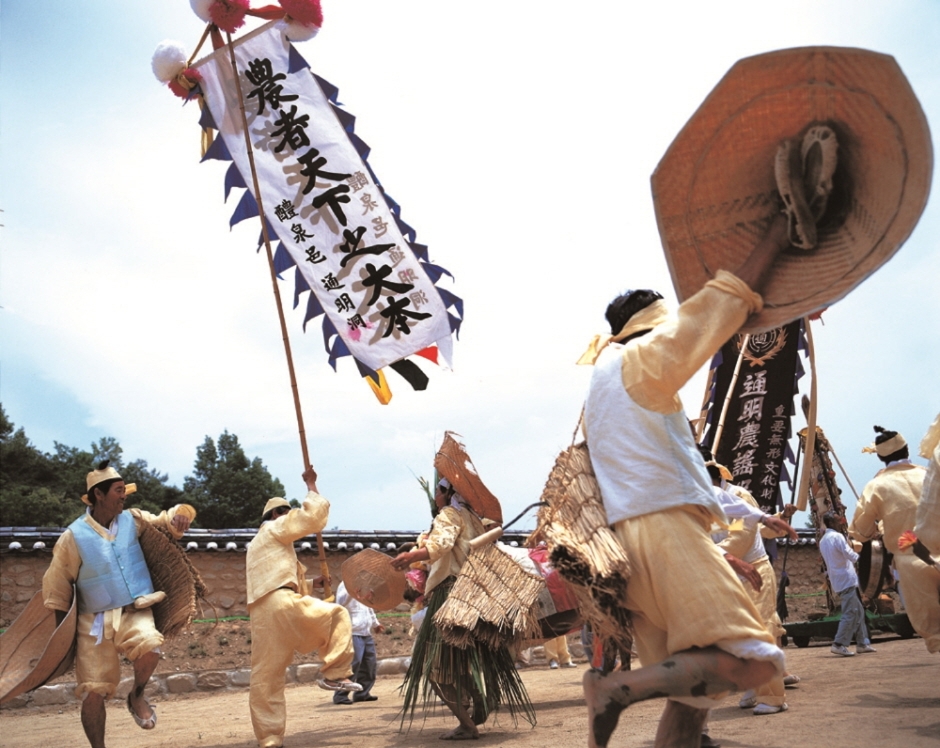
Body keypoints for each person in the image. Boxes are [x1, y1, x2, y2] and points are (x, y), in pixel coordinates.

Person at [577, 149, 816, 746]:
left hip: (635, 544)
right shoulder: (643, 360)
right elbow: (722, 304)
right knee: (757, 662)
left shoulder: (603, 381)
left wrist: (716, 556)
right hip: (662, 532)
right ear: (655, 327)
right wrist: (779, 234)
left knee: (696, 692)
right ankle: (614, 691)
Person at [41, 460, 196, 748]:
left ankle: (136, 695)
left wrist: (181, 515)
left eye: (124, 490)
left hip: (135, 609)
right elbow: (57, 586)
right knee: (93, 692)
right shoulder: (72, 537)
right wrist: (62, 639)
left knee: (151, 647)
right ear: (99, 495)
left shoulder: (134, 519)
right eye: (118, 490)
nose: (124, 496)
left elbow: (167, 520)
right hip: (93, 621)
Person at [391, 478, 533, 740]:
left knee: (431, 667)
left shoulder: (449, 514)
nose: (435, 495)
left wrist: (410, 556)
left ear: (448, 493)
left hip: (449, 597)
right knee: (463, 660)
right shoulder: (473, 518)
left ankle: (468, 725)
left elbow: (440, 545)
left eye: (438, 490)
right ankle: (481, 699)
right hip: (474, 596)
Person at [246, 467, 359, 748]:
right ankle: (335, 674)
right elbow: (312, 517)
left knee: (266, 677)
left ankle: (269, 738)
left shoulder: (258, 544)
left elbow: (275, 581)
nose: (287, 515)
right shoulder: (275, 528)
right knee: (336, 615)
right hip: (282, 604)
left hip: (263, 614)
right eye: (284, 511)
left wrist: (311, 583)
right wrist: (311, 486)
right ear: (274, 516)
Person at [700, 450, 798, 714]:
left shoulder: (737, 495)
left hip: (752, 571)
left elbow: (745, 533)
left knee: (761, 632)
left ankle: (773, 697)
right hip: (724, 574)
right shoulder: (698, 499)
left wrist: (777, 518)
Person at [850, 426, 939, 653]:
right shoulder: (929, 474)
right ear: (907, 449)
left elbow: (860, 530)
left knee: (935, 631)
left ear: (880, 457)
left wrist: (874, 529)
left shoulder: (876, 486)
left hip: (911, 563)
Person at [818, 511, 875, 655]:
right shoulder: (837, 537)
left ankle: (862, 643)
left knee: (859, 611)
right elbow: (848, 553)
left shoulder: (823, 540)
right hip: (846, 579)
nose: (841, 522)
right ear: (831, 523)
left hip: (840, 580)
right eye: (838, 520)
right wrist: (860, 558)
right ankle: (838, 643)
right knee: (850, 613)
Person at [332, 580, 385, 704]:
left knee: (369, 664)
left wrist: (375, 623)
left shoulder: (364, 585)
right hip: (352, 632)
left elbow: (368, 608)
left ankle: (362, 693)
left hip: (365, 633)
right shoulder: (345, 585)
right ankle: (340, 695)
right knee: (353, 663)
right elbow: (340, 604)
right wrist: (352, 594)